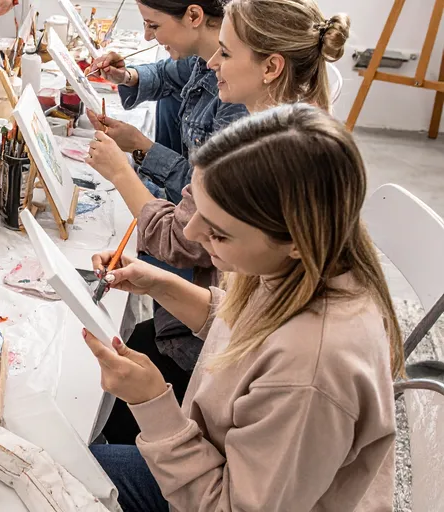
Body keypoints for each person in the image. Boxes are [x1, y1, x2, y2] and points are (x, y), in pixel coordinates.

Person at [85, 103, 403, 511]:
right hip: (222, 461)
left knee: (63, 467)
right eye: (196, 206)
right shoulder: (306, 266)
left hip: (220, 493)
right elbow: (246, 325)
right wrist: (162, 285)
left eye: (218, 232)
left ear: (293, 240)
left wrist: (153, 404)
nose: (193, 232)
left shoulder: (310, 371)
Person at [90, 0, 351, 445]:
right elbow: (244, 313)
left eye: (225, 54)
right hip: (220, 349)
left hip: (215, 401)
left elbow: (224, 492)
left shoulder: (257, 155)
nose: (210, 64)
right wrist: (160, 284)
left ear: (271, 67)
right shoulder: (269, 133)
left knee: (81, 443)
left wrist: (156, 409)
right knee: (106, 388)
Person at [85, 0, 248, 204]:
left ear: (194, 16)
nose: (147, 36)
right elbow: (166, 74)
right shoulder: (202, 57)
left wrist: (140, 147)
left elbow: (210, 195)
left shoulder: (238, 95)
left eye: (154, 26)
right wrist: (126, 76)